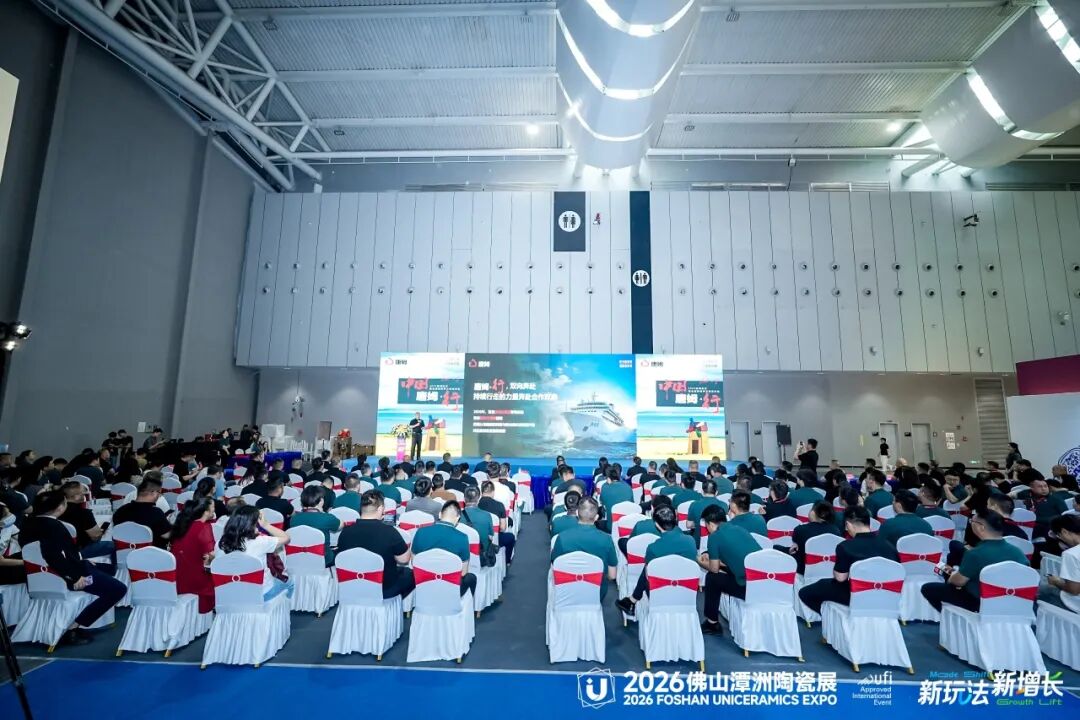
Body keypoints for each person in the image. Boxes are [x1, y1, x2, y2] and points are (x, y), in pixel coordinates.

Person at [18, 490, 126, 645]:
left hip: (39, 576)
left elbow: (55, 555)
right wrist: (74, 577)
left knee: (108, 569)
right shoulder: (54, 526)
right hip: (67, 575)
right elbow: (54, 556)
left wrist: (80, 560)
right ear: (60, 507)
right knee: (118, 589)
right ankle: (73, 627)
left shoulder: (27, 524)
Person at [921, 510, 1029, 612]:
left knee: (928, 588)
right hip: (1013, 601)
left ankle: (950, 617)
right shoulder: (1018, 552)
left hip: (980, 601)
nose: (970, 524)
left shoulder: (975, 553)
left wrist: (952, 576)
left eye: (972, 521)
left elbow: (959, 581)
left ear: (981, 527)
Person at [798, 506, 899, 615]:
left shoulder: (845, 546)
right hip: (886, 595)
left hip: (857, 595)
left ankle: (828, 616)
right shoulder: (890, 546)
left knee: (806, 592)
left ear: (848, 524)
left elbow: (840, 578)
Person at [615, 505, 697, 615]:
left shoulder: (653, 548)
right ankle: (632, 600)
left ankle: (632, 600)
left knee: (647, 570)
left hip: (660, 593)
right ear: (676, 518)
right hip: (687, 592)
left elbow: (648, 576)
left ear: (656, 524)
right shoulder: (691, 541)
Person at [336, 490, 414, 599]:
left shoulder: (345, 532)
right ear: (381, 509)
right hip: (384, 588)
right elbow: (404, 559)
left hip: (352, 584)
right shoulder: (390, 532)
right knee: (409, 574)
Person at [699, 504, 760, 636]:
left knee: (712, 578)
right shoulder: (739, 529)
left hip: (748, 587)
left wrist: (699, 561)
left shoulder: (714, 537)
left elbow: (714, 569)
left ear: (710, 524)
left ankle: (712, 623)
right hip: (763, 581)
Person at [218, 505, 292, 600]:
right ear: (252, 524)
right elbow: (286, 538)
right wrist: (266, 525)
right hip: (261, 592)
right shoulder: (260, 542)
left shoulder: (221, 543)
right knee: (290, 583)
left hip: (230, 593)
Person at [550, 497, 617, 598]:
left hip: (567, 590)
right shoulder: (607, 539)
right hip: (597, 593)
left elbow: (555, 565)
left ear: (577, 513)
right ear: (596, 517)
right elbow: (612, 575)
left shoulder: (562, 538)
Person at [411, 501, 477, 598]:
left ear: (440, 514)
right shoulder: (462, 538)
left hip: (424, 584)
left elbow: (414, 562)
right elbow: (463, 572)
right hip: (450, 589)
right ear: (458, 518)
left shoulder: (420, 532)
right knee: (471, 578)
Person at [169, 497, 216, 613]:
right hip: (196, 579)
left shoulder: (184, 524)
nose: (215, 510)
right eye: (213, 507)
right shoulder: (203, 527)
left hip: (178, 576)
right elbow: (209, 556)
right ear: (206, 511)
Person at [58, 481, 115, 571]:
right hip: (78, 550)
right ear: (76, 497)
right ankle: (114, 570)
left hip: (58, 549)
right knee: (114, 545)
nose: (85, 494)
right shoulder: (83, 513)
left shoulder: (55, 510)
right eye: (83, 492)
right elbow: (96, 537)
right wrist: (101, 531)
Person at [113, 475, 172, 549]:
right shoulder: (156, 513)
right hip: (151, 553)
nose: (160, 496)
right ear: (153, 493)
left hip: (123, 554)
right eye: (159, 493)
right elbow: (167, 535)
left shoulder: (120, 511)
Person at [289, 485, 342, 567]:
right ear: (321, 501)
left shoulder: (294, 519)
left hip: (300, 558)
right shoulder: (327, 518)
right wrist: (323, 512)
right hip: (324, 559)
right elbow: (341, 525)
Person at [790, 501, 842, 574]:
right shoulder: (836, 531)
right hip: (830, 571)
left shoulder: (800, 530)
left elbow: (796, 549)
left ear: (813, 513)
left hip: (804, 571)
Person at [1042, 514, 1080, 612]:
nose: (1061, 539)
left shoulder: (1071, 554)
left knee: (1039, 591)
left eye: (1059, 536)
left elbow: (1074, 590)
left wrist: (1056, 581)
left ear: (1064, 532)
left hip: (1075, 605)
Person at [479, 480, 515, 564]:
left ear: (481, 491)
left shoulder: (476, 505)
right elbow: (503, 528)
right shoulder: (499, 505)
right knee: (510, 537)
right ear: (493, 492)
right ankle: (507, 561)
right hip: (495, 540)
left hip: (478, 540)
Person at [0, 501, 26, 586]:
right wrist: (27, 562)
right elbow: (1, 561)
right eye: (6, 514)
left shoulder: (8, 526)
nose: (10, 515)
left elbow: (23, 539)